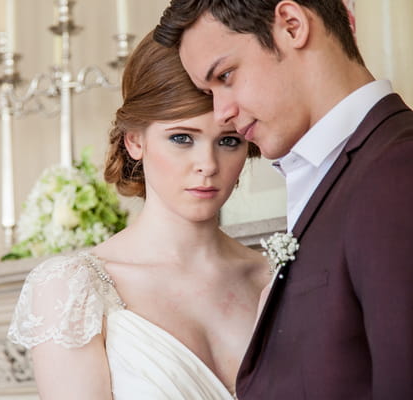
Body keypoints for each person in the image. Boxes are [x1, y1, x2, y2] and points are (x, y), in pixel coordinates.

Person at [154, 1, 413, 399]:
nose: (221, 113)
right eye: (210, 90)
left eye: (225, 75)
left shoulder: (397, 170)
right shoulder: (337, 175)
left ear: (292, 26)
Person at [8, 31, 269, 400]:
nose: (208, 165)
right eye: (182, 138)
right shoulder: (74, 290)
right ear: (135, 140)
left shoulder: (273, 278)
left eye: (228, 141)